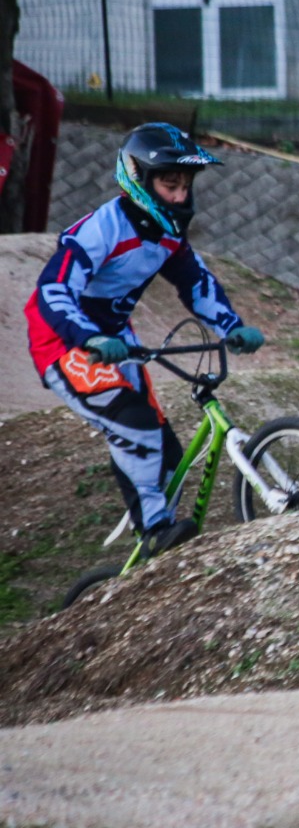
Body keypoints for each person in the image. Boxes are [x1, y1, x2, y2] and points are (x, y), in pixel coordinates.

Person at [25, 123, 265, 556]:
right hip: (64, 342)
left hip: (118, 338)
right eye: (170, 185)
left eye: (185, 186)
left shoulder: (169, 234)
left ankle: (153, 561)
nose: (180, 196)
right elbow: (52, 290)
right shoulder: (102, 229)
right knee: (133, 423)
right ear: (139, 178)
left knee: (169, 458)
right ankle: (153, 529)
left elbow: (196, 283)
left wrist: (232, 327)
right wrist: (89, 337)